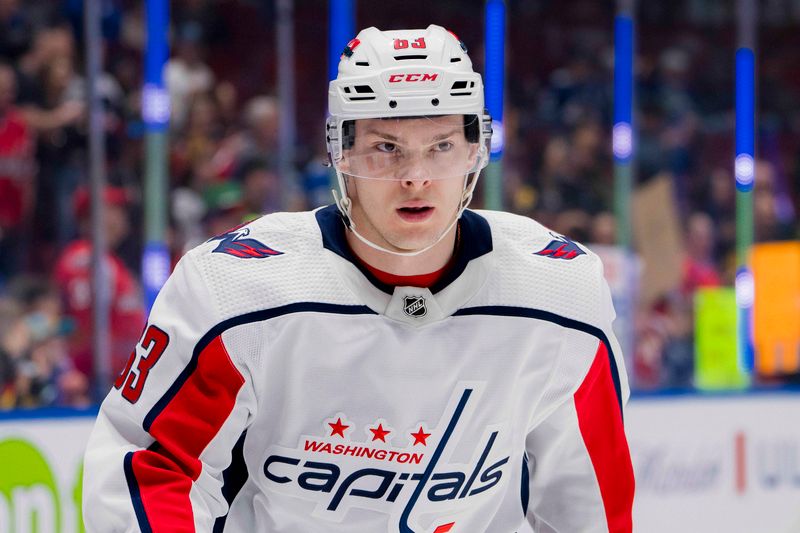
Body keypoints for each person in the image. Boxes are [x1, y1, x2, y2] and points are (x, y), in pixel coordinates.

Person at [83, 25, 634, 532]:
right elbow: (155, 467)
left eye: (441, 147)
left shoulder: (559, 295)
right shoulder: (237, 290)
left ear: (475, 150)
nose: (415, 176)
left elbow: (586, 498)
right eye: (385, 148)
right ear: (340, 152)